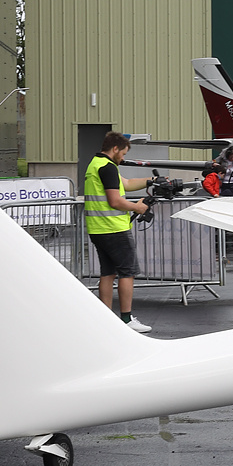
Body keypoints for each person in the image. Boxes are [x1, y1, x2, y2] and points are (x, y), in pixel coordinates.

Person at [84, 132, 152, 333]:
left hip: (98, 229)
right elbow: (115, 200)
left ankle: (106, 320)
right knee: (127, 273)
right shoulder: (108, 168)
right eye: (122, 153)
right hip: (114, 229)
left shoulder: (96, 164)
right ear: (115, 149)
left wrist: (151, 180)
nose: (123, 158)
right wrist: (137, 208)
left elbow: (127, 184)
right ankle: (126, 319)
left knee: (108, 273)